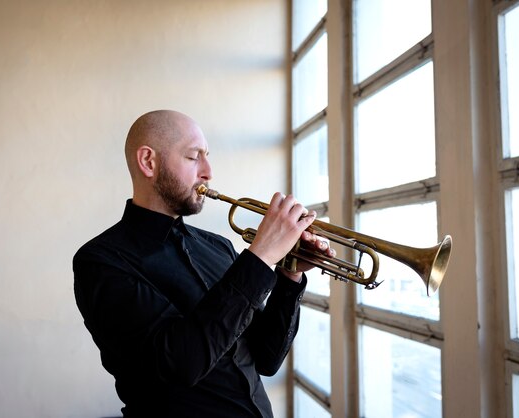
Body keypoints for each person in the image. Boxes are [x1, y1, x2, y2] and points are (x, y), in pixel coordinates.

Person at [73, 110, 334, 417]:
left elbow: (266, 358)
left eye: (207, 156)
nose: (208, 171)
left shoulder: (218, 246)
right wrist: (261, 256)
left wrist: (288, 275)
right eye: (193, 157)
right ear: (148, 162)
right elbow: (182, 363)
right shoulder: (101, 262)